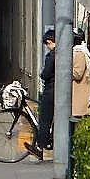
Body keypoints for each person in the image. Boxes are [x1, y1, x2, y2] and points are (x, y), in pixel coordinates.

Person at [31, 28, 57, 158]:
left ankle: (39, 147)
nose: (47, 47)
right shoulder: (63, 53)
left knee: (45, 119)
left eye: (47, 44)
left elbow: (46, 74)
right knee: (55, 119)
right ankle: (49, 142)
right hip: (59, 91)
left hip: (50, 90)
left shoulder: (52, 55)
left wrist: (42, 74)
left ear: (49, 42)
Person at [71, 35, 90, 117]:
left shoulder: (79, 53)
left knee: (77, 118)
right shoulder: (78, 52)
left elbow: (78, 74)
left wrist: (65, 69)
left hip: (79, 93)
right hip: (76, 92)